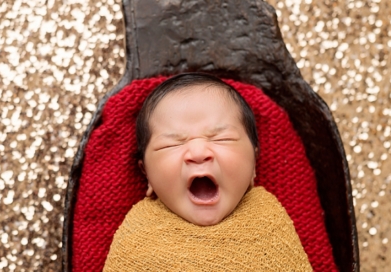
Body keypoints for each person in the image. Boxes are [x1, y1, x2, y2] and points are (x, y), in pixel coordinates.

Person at [103, 73, 312, 271]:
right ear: (146, 173)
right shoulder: (137, 237)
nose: (198, 152)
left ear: (254, 165)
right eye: (171, 144)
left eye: (223, 138)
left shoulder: (271, 225)